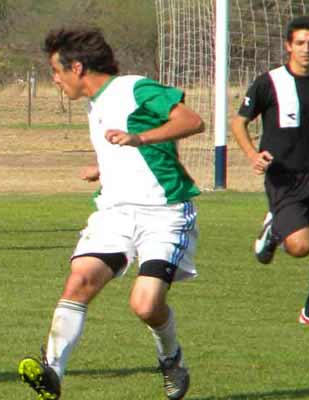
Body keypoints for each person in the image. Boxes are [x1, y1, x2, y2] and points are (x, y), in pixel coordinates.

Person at [18, 28, 204, 400]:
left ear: (77, 67)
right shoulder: (95, 103)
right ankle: (52, 371)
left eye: (56, 71)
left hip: (163, 213)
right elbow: (128, 148)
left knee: (145, 304)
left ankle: (170, 357)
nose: (55, 80)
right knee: (80, 279)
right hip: (115, 212)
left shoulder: (133, 88)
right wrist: (104, 167)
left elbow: (191, 121)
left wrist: (140, 138)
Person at [232, 16, 309, 325]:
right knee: (301, 247)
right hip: (285, 179)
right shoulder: (270, 82)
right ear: (288, 45)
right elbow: (239, 122)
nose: (306, 49)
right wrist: (252, 155)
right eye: (300, 43)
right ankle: (275, 229)